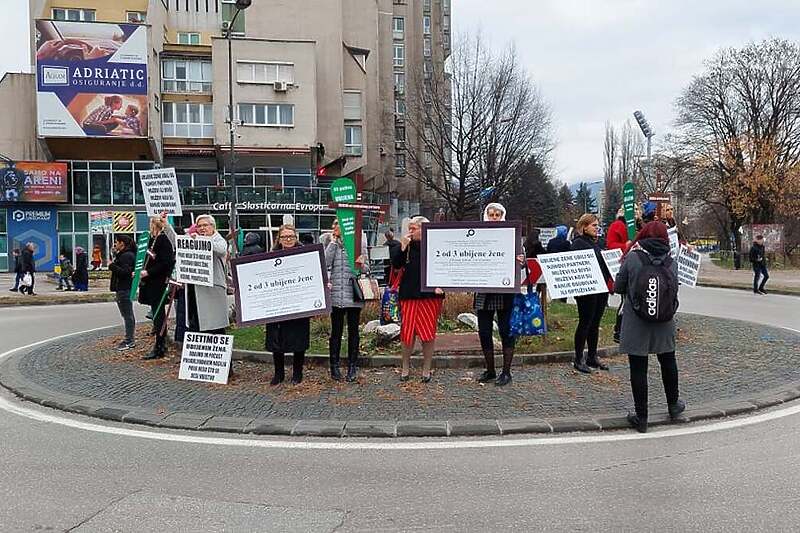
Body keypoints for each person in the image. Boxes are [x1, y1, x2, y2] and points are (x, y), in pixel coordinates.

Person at [614, 221, 686, 433]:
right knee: (668, 361)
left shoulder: (633, 258)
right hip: (664, 321)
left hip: (636, 321)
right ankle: (673, 406)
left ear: (643, 236)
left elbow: (618, 287)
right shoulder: (672, 262)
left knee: (638, 368)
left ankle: (642, 417)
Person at [390, 215, 445, 382]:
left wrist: (443, 285)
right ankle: (405, 367)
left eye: (414, 228)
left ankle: (426, 369)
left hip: (431, 295)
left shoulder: (436, 246)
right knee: (407, 332)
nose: (410, 231)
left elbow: (446, 267)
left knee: (428, 333)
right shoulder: (403, 246)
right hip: (409, 293)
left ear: (424, 230)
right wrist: (403, 247)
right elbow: (396, 265)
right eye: (410, 228)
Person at [474, 203, 524, 386]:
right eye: (491, 214)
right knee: (484, 332)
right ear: (487, 216)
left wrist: (520, 259)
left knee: (506, 331)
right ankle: (490, 370)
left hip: (504, 291)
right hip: (483, 290)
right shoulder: (478, 235)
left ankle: (506, 372)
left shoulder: (512, 234)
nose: (494, 217)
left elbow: (522, 259)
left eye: (497, 214)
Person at [163, 214, 230, 335]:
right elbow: (177, 242)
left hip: (213, 289)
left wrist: (201, 240)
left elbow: (221, 249)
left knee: (215, 325)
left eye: (205, 225)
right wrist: (166, 225)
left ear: (213, 227)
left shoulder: (218, 239)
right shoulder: (194, 239)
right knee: (198, 324)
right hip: (196, 290)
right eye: (199, 226)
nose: (202, 228)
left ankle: (218, 351)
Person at [325, 219, 369, 382]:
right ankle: (334, 366)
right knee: (336, 332)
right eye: (336, 224)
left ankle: (352, 366)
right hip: (337, 293)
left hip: (353, 293)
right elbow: (325, 263)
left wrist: (361, 263)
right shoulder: (331, 243)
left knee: (353, 332)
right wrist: (334, 242)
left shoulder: (359, 243)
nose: (339, 227)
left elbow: (366, 268)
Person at [266, 224, 311, 385]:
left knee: (299, 340)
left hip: (299, 304)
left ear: (296, 237)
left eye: (291, 236)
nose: (288, 239)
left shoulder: (306, 255)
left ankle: (297, 373)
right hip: (277, 305)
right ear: (279, 239)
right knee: (277, 340)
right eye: (285, 236)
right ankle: (279, 374)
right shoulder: (270, 257)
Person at [571, 214, 613, 373]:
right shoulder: (578, 244)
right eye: (594, 225)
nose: (597, 228)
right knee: (585, 323)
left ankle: (592, 356)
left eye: (597, 225)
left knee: (595, 323)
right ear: (584, 227)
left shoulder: (597, 243)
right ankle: (578, 358)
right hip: (586, 291)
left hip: (601, 287)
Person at [138, 217, 175, 360]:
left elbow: (166, 262)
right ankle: (160, 344)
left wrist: (149, 272)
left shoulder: (163, 240)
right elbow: (146, 259)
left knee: (158, 314)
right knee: (156, 314)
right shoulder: (151, 240)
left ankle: (160, 345)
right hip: (150, 282)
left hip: (158, 283)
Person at [606, 207, 631, 343]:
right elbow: (611, 245)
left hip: (632, 264)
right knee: (625, 300)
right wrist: (625, 245)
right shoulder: (618, 226)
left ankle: (624, 330)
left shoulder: (631, 226)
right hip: (623, 265)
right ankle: (619, 330)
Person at [108, 235, 137, 351]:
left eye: (117, 242)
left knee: (127, 315)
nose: (115, 245)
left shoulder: (127, 256)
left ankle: (129, 340)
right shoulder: (124, 255)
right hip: (123, 288)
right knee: (127, 315)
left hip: (124, 289)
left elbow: (125, 272)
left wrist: (111, 266)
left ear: (122, 243)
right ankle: (129, 339)